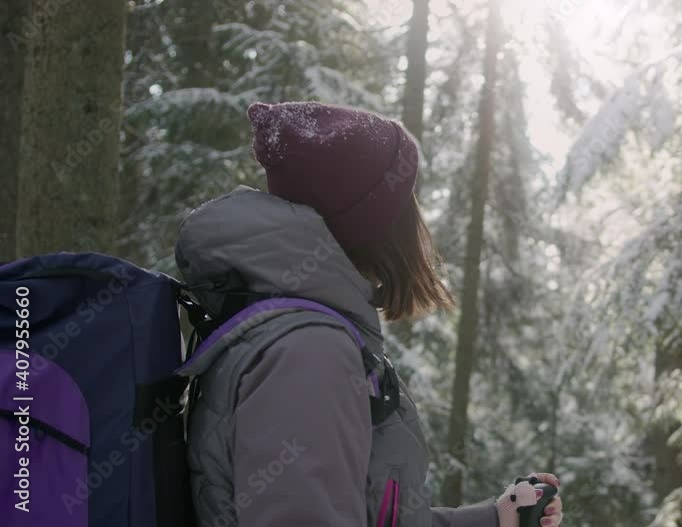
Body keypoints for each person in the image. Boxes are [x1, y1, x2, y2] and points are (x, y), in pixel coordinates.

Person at [174, 101, 564, 527]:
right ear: (373, 224)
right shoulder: (310, 353)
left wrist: (494, 519)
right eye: (407, 198)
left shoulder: (300, 337)